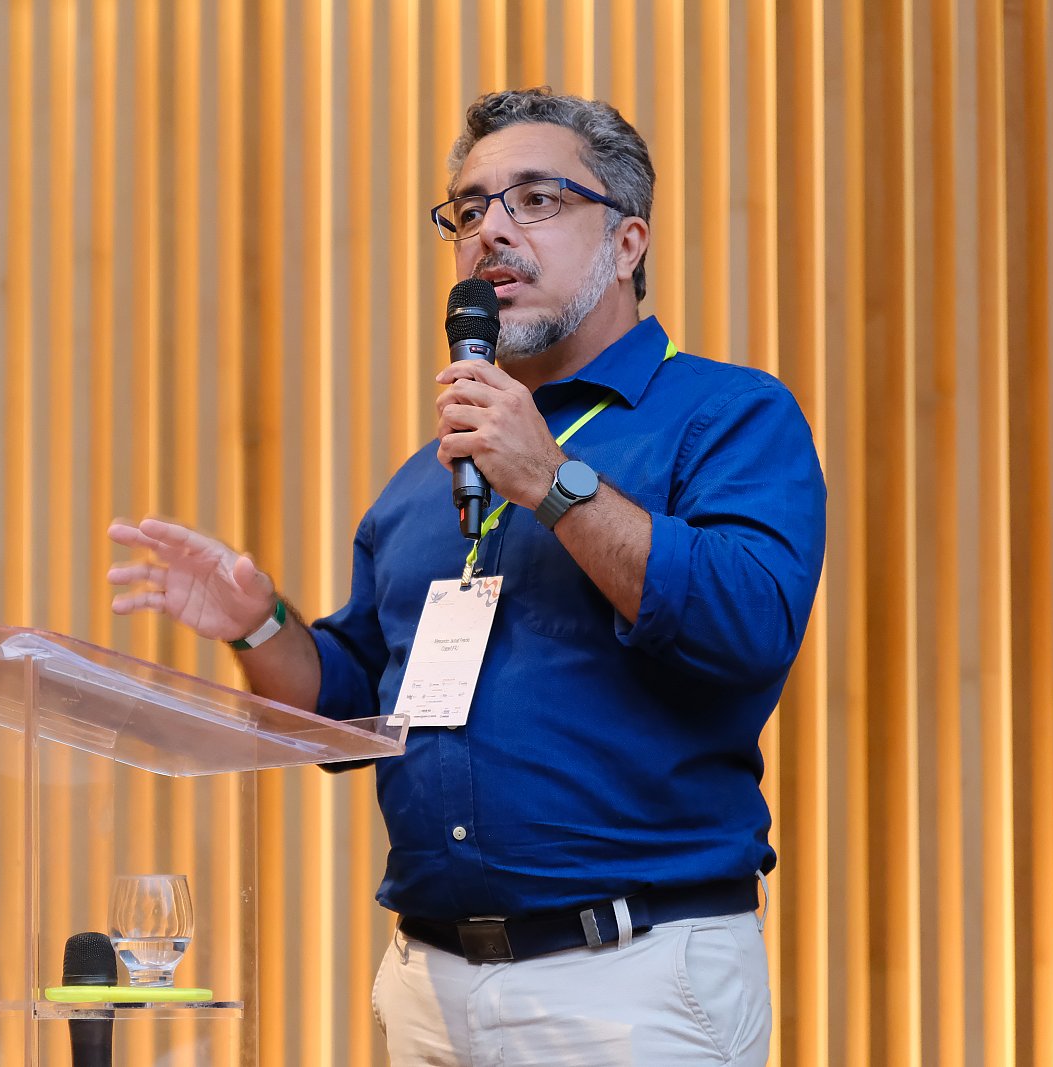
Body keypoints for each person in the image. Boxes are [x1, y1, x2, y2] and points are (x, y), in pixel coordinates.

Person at [108, 87, 825, 1066]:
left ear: (627, 241)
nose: (491, 229)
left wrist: (553, 481)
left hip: (630, 975)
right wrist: (259, 623)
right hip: (428, 982)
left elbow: (746, 621)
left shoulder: (726, 414)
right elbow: (347, 712)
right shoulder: (429, 474)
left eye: (535, 199)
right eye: (470, 207)